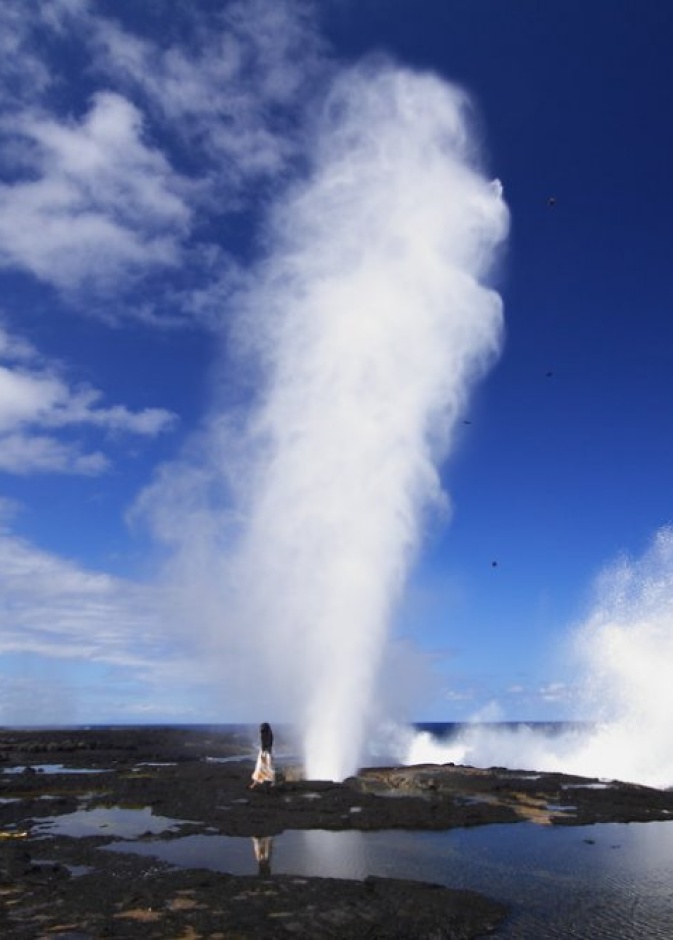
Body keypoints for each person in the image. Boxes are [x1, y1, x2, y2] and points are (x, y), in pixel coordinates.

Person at [249, 722, 275, 788]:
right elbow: (267, 745)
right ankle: (257, 782)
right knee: (262, 767)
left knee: (264, 767)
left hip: (266, 753)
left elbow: (266, 745)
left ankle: (270, 782)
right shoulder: (269, 734)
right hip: (267, 752)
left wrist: (263, 754)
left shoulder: (266, 735)